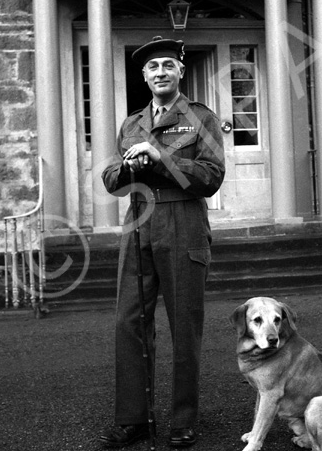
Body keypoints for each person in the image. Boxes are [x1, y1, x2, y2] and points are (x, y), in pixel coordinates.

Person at [100, 36, 225, 448]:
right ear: (144, 76)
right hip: (140, 219)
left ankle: (183, 419)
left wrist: (161, 158)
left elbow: (210, 178)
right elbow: (113, 180)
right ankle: (134, 417)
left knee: (183, 325)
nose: (160, 73)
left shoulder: (200, 118)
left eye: (167, 66)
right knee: (129, 321)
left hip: (183, 220)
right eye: (153, 68)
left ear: (180, 72)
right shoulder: (132, 123)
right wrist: (125, 167)